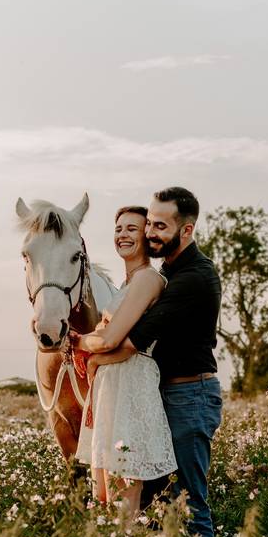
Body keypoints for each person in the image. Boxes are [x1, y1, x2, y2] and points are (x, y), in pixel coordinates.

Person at [75, 187, 223, 537]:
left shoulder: (189, 279)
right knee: (156, 494)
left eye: (159, 226)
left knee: (188, 499)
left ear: (185, 231)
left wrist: (81, 347)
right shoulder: (167, 270)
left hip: (191, 394)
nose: (149, 233)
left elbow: (126, 343)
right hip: (162, 392)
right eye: (150, 225)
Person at [72, 206, 178, 513]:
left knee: (123, 492)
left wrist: (79, 342)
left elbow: (108, 340)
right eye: (118, 229)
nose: (122, 234)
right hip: (111, 386)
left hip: (131, 384)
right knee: (103, 492)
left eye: (132, 229)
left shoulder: (148, 279)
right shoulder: (126, 286)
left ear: (146, 236)